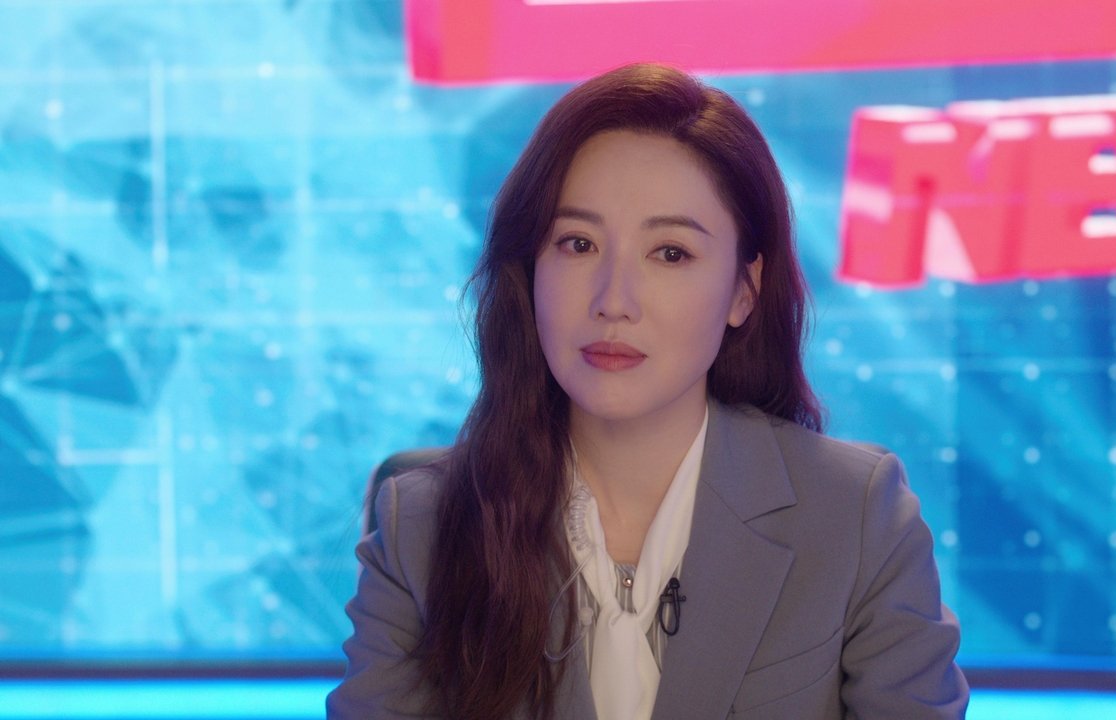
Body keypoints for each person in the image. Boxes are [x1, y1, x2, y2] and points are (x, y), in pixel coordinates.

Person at [327, 63, 968, 720]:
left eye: (670, 254)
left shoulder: (856, 517)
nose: (614, 301)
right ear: (530, 270)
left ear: (743, 291)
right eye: (578, 244)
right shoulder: (422, 526)